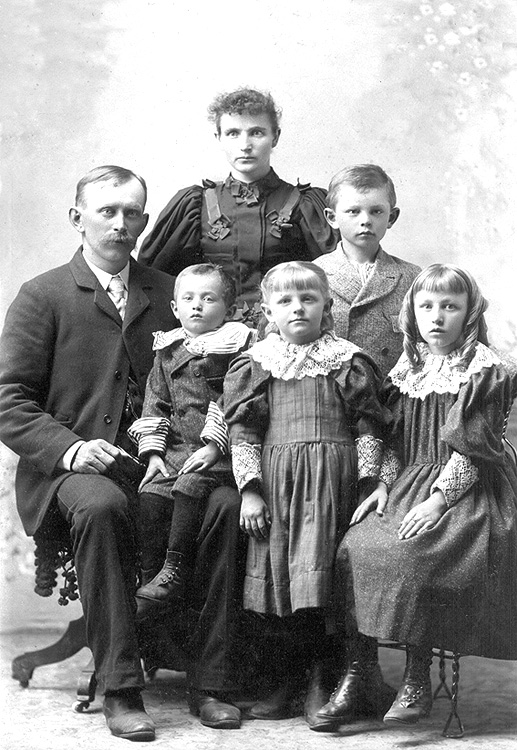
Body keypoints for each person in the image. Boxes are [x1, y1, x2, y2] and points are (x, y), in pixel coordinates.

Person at [0, 166, 175, 740]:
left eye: (132, 213)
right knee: (102, 508)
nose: (121, 224)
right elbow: (8, 400)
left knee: (224, 505)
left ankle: (217, 675)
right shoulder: (43, 294)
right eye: (107, 211)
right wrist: (70, 450)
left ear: (145, 221)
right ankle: (120, 685)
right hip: (72, 469)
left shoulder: (170, 292)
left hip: (154, 461)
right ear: (77, 218)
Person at [317, 264, 517, 730]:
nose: (437, 317)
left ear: (469, 314)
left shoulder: (486, 370)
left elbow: (473, 449)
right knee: (353, 547)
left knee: (414, 556)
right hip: (409, 478)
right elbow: (394, 443)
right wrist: (383, 485)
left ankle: (416, 678)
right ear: (412, 311)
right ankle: (359, 674)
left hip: (468, 486)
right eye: (427, 306)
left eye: (450, 306)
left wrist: (438, 501)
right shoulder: (409, 367)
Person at [223, 261, 392, 731]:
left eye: (308, 299)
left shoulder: (348, 360)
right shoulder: (256, 362)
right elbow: (244, 431)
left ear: (327, 306)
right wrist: (250, 491)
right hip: (277, 487)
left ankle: (323, 679)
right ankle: (288, 681)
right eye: (285, 301)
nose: (297, 308)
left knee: (320, 584)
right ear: (268, 311)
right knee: (281, 579)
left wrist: (367, 483)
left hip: (332, 484)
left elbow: (367, 428)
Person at [138, 87, 337, 326]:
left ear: (275, 137)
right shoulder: (193, 205)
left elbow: (333, 282)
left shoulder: (305, 205)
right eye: (233, 133)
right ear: (218, 138)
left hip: (284, 338)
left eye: (256, 133)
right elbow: (156, 280)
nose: (245, 144)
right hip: (210, 339)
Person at [128, 263, 255, 621]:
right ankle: (151, 575)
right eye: (188, 299)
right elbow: (156, 400)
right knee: (151, 492)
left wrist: (215, 445)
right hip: (177, 450)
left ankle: (175, 568)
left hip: (222, 451)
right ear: (174, 308)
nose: (197, 306)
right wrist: (154, 453)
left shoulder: (237, 346)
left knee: (188, 485)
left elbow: (238, 397)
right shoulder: (168, 350)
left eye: (208, 299)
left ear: (228, 310)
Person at [314, 164, 420, 376]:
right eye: (353, 211)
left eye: (376, 211)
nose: (365, 221)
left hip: (390, 398)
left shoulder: (412, 277)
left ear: (391, 217)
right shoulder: (313, 275)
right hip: (333, 398)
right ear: (332, 218)